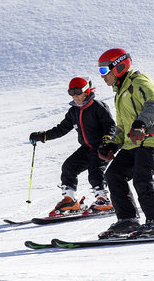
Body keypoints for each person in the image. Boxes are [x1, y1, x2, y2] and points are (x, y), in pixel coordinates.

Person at [96, 48, 154, 238]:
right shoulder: (119, 93)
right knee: (113, 174)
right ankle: (128, 220)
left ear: (119, 66)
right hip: (132, 144)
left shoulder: (139, 82)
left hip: (149, 140)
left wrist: (141, 125)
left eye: (105, 71)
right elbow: (122, 126)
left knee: (141, 178)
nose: (103, 77)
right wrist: (113, 145)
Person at [29, 77, 116, 217]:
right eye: (71, 92)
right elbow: (61, 129)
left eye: (78, 92)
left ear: (87, 91)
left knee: (95, 171)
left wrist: (107, 140)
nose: (75, 96)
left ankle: (103, 200)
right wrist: (43, 136)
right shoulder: (73, 111)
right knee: (69, 167)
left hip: (101, 147)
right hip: (86, 148)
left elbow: (110, 125)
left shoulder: (98, 106)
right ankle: (70, 200)